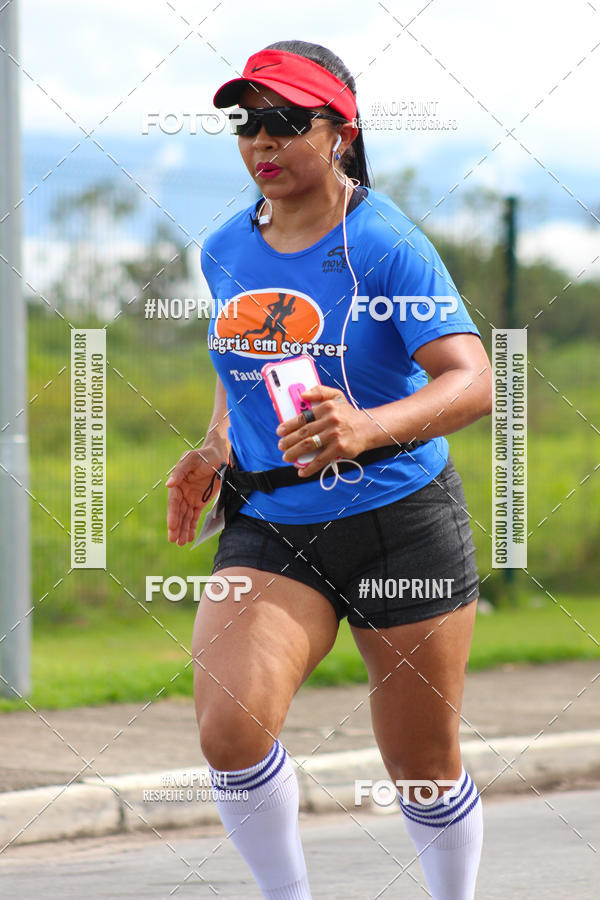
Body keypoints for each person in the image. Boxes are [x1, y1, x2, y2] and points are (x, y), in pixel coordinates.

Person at [167, 39, 492, 900]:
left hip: (403, 524)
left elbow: (472, 379)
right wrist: (216, 443)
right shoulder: (226, 248)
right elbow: (247, 350)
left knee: (422, 766)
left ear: (340, 134)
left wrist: (367, 426)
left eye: (283, 122)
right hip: (274, 523)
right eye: (247, 123)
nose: (261, 142)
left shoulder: (386, 244)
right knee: (231, 729)